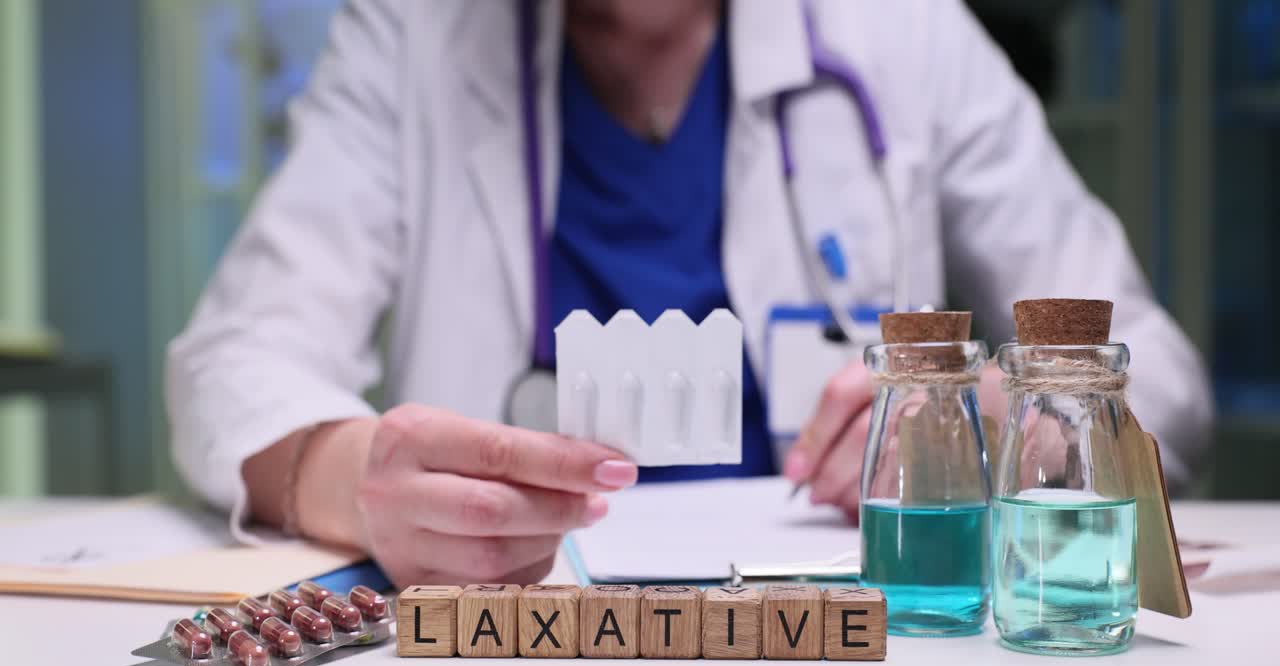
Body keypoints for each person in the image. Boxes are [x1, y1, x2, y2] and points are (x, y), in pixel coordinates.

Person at [167, 0, 1211, 587]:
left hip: (843, 656)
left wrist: (990, 420)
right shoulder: (413, 34)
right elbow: (236, 360)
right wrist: (355, 480)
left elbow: (1154, 370)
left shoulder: (901, 32)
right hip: (517, 656)